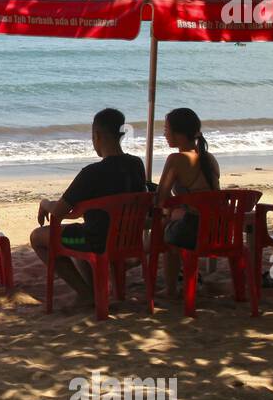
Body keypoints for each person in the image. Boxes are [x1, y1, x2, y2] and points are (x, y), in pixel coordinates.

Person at [30, 108, 146, 308]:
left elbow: (59, 211)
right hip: (128, 238)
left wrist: (44, 203)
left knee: (38, 237)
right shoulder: (136, 164)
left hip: (96, 241)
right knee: (82, 229)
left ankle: (86, 294)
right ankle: (95, 292)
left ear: (97, 135)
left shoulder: (92, 173)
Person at [155, 107, 220, 294]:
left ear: (179, 134)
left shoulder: (177, 159)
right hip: (218, 227)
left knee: (165, 223)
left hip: (194, 229)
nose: (165, 134)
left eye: (167, 129)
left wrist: (171, 212)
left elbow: (161, 199)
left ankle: (170, 289)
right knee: (172, 217)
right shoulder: (209, 158)